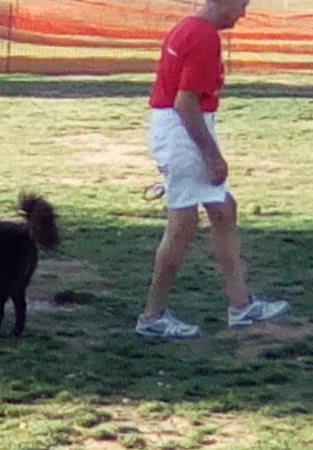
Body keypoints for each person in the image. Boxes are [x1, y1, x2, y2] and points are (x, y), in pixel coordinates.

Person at [135, 0, 290, 338]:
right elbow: (185, 102)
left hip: (178, 127)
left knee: (223, 209)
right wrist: (212, 155)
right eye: (243, 4)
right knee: (182, 224)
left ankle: (241, 305)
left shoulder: (188, 28)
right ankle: (153, 315)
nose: (243, 14)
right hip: (183, 131)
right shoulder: (203, 36)